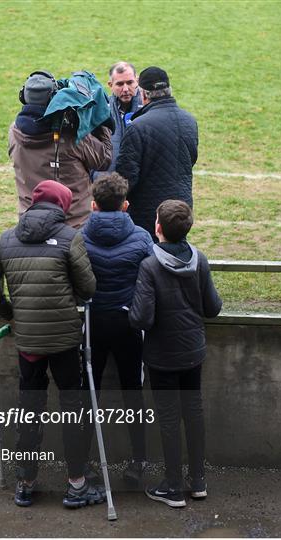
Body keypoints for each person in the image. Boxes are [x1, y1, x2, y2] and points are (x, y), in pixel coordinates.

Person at [0, 180, 105, 509]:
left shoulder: (7, 239)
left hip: (29, 342)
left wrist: (10, 312)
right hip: (63, 340)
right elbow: (88, 287)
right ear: (61, 207)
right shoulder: (69, 238)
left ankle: (25, 483)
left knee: (29, 411)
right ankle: (76, 482)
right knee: (72, 410)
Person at [129, 200, 222, 507]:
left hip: (162, 357)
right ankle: (198, 481)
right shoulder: (200, 259)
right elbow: (213, 307)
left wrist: (131, 312)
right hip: (193, 352)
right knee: (193, 414)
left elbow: (142, 318)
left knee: (169, 419)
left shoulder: (149, 266)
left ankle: (172, 486)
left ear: (157, 228)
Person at [81, 172, 153, 484]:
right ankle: (138, 460)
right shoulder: (141, 237)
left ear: (93, 205)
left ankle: (81, 463)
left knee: (87, 394)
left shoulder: (79, 236)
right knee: (133, 393)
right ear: (125, 204)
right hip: (128, 324)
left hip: (92, 323)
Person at [9, 70, 112, 228]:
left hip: (30, 223)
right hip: (73, 225)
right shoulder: (72, 137)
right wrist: (97, 120)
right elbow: (104, 159)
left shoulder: (14, 132)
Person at [116, 66, 198, 239]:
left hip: (147, 214)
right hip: (181, 209)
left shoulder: (138, 127)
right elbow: (191, 158)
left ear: (143, 94)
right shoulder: (189, 121)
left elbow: (126, 177)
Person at [92, 61, 142, 180]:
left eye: (130, 82)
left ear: (137, 81)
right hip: (109, 187)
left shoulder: (147, 111)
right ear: (110, 85)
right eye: (120, 84)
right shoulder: (100, 112)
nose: (125, 89)